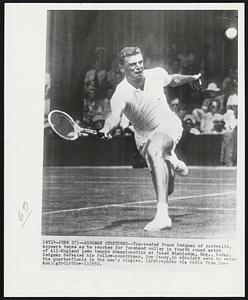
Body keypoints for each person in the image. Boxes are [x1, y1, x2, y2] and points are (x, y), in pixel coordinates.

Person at [100, 47, 201, 231]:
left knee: (156, 150)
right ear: (122, 68)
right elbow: (115, 115)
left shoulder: (155, 74)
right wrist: (107, 127)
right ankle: (171, 161)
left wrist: (191, 78)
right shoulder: (121, 93)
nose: (138, 67)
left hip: (168, 125)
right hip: (143, 136)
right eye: (132, 64)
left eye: (140, 62)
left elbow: (173, 79)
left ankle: (162, 215)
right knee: (167, 188)